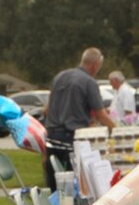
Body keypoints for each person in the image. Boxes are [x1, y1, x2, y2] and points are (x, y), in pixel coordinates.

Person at [42, 47, 111, 190]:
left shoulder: (59, 77)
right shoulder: (88, 82)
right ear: (95, 65)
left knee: (55, 185)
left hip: (52, 138)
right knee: (74, 187)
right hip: (71, 139)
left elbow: (46, 110)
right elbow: (101, 115)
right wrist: (116, 130)